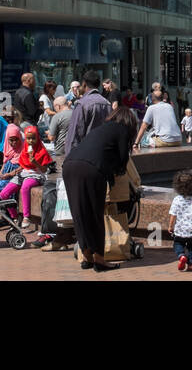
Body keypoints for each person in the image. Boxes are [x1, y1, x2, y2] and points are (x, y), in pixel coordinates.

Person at [62, 106, 138, 271]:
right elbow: (123, 158)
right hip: (91, 169)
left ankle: (87, 257)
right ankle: (100, 260)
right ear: (130, 122)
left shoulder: (101, 129)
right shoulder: (122, 129)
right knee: (95, 215)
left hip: (69, 165)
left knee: (80, 214)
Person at [0, 124, 52, 231]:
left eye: (33, 138)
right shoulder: (25, 150)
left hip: (36, 175)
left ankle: (26, 217)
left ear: (37, 138)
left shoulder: (42, 151)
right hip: (23, 173)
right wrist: (10, 174)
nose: (31, 141)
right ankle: (14, 217)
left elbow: (44, 170)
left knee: (25, 188)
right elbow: (22, 165)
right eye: (28, 138)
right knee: (3, 194)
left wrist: (36, 163)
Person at [168, 169, 192, 272]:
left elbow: (173, 215)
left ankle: (181, 256)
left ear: (178, 186)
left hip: (180, 230)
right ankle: (190, 265)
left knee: (178, 244)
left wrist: (170, 226)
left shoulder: (177, 200)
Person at [66, 71, 112, 154]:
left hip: (86, 155)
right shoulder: (107, 104)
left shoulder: (82, 104)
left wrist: (69, 159)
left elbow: (74, 135)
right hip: (103, 154)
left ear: (84, 84)